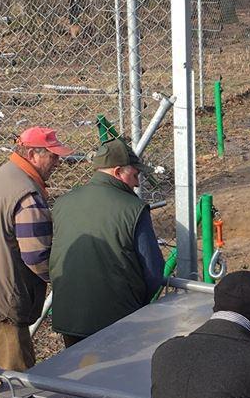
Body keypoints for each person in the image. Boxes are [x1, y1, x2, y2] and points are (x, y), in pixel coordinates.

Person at [0, 126, 71, 370]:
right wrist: (63, 279)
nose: (58, 162)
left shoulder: (4, 174)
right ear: (32, 154)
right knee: (17, 379)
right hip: (6, 299)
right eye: (52, 155)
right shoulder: (28, 195)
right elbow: (36, 256)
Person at [49, 137, 166, 347]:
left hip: (69, 316)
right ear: (118, 171)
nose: (137, 182)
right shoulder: (133, 208)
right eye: (135, 174)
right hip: (117, 320)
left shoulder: (62, 203)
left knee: (75, 374)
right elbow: (153, 271)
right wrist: (136, 304)